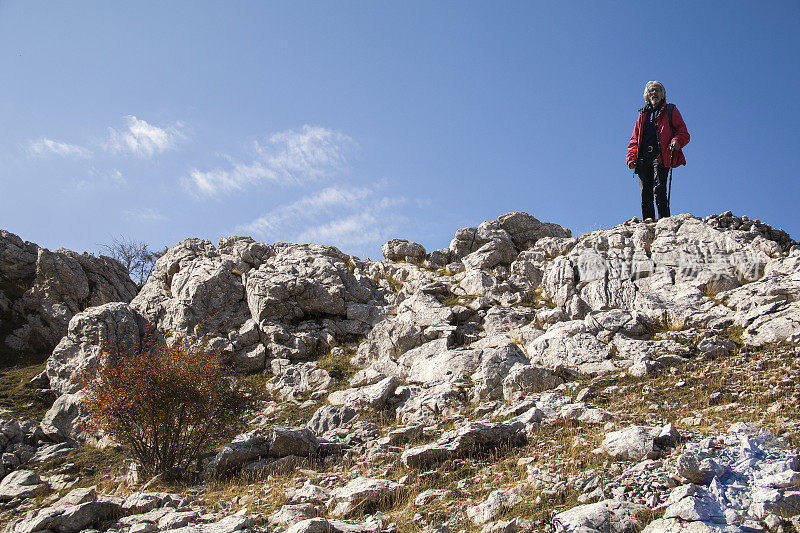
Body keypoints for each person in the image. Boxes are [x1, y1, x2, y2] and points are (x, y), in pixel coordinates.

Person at [626, 81, 690, 221]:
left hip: (661, 155)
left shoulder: (670, 110)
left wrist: (676, 142)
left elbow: (683, 132)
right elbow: (634, 140)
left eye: (656, 90)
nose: (653, 93)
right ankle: (648, 223)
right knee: (645, 193)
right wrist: (631, 158)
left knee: (659, 190)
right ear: (646, 95)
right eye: (650, 91)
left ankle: (664, 222)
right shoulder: (642, 115)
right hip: (642, 158)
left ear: (662, 94)